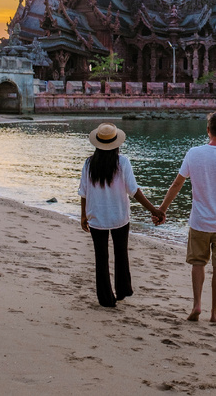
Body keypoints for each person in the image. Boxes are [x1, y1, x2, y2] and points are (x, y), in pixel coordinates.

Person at [159, 111, 216, 322]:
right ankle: (215, 313)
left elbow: (177, 184)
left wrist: (162, 209)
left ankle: (197, 305)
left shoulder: (194, 153)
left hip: (199, 221)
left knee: (198, 263)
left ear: (208, 130)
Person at [79, 122, 164, 307]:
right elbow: (134, 191)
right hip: (119, 217)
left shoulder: (89, 164)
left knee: (101, 259)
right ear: (116, 143)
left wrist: (83, 215)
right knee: (121, 253)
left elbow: (83, 193)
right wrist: (154, 210)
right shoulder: (122, 162)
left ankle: (105, 299)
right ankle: (122, 290)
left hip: (96, 218)